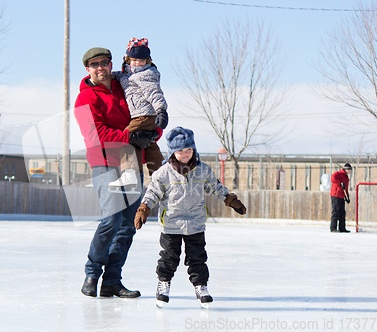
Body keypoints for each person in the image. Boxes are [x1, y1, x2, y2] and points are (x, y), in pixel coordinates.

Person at [74, 47, 158, 298]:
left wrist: (150, 134)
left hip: (131, 160)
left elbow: (146, 114)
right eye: (94, 64)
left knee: (127, 225)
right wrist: (129, 137)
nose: (101, 67)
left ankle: (112, 280)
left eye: (104, 62)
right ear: (87, 69)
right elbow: (93, 135)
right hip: (105, 163)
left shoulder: (126, 86)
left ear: (112, 64)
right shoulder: (84, 98)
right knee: (111, 220)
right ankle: (92, 272)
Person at [133, 126, 247, 308]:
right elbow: (152, 192)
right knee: (169, 257)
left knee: (197, 258)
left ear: (194, 149)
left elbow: (215, 186)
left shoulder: (202, 170)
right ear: (172, 152)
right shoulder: (163, 173)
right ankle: (163, 284)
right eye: (180, 150)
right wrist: (144, 208)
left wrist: (230, 199)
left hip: (195, 223)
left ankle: (201, 286)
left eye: (189, 149)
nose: (185, 154)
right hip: (171, 223)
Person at [108, 37, 168, 188]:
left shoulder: (146, 74)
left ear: (147, 60)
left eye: (141, 60)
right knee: (149, 144)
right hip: (144, 115)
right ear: (128, 59)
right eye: (134, 60)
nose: (137, 63)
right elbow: (118, 76)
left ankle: (130, 173)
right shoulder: (127, 74)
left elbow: (155, 93)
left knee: (125, 137)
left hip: (144, 114)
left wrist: (161, 110)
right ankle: (160, 175)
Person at [330, 163, 352, 233]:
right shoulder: (338, 174)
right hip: (336, 195)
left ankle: (342, 228)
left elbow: (346, 189)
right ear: (346, 169)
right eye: (349, 170)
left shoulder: (346, 178)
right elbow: (332, 179)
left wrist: (347, 196)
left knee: (342, 212)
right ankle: (333, 228)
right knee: (335, 212)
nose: (350, 171)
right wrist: (340, 183)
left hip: (342, 196)